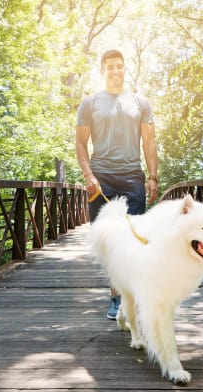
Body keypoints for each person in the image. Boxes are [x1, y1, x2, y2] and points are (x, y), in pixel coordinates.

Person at [75, 49, 159, 320]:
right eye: (110, 67)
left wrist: (153, 175)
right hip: (101, 178)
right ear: (103, 70)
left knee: (134, 241)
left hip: (133, 177)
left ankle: (131, 298)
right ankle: (116, 298)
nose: (115, 71)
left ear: (126, 69)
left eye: (119, 66)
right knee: (111, 243)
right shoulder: (90, 104)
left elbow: (149, 142)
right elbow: (80, 143)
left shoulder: (140, 103)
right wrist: (89, 176)